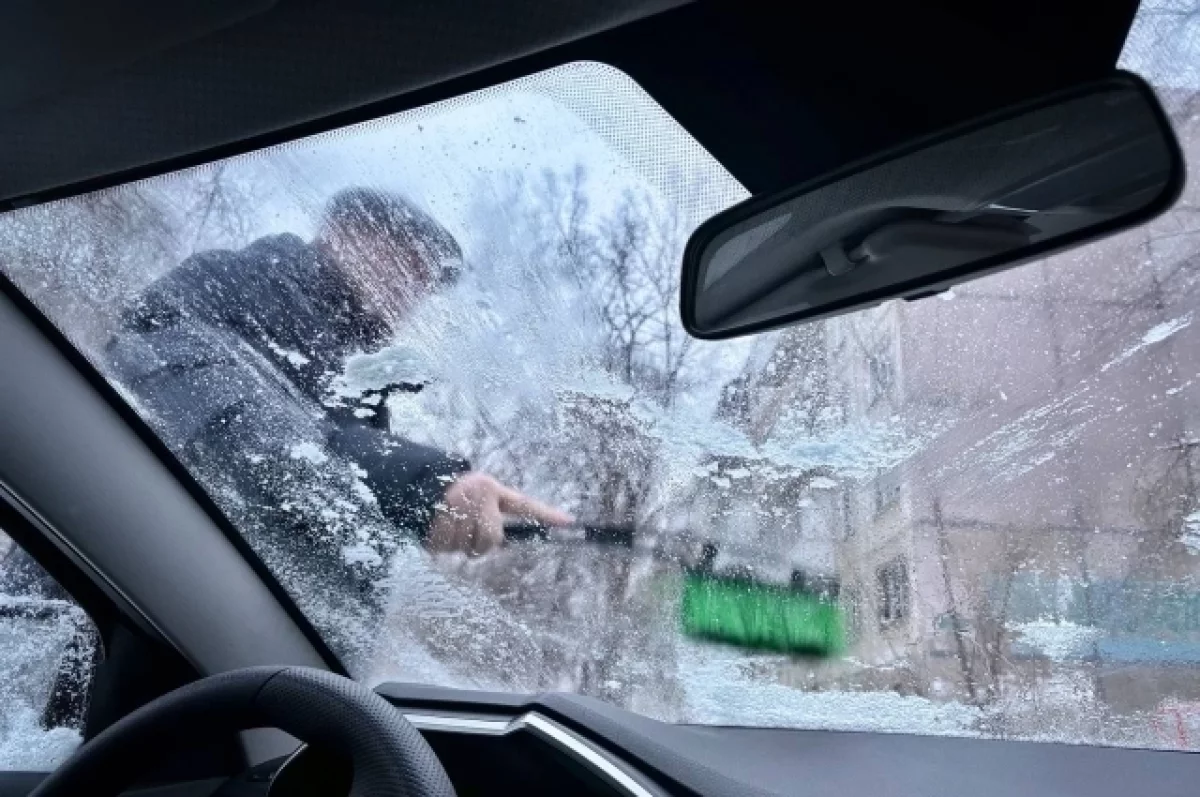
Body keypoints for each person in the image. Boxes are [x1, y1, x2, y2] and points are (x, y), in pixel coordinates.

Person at [106, 188, 571, 615]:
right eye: (405, 261)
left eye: (423, 280)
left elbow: (331, 492)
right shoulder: (232, 281)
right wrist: (419, 484)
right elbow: (194, 389)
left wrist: (418, 512)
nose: (412, 287)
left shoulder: (364, 390)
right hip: (124, 574)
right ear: (342, 231)